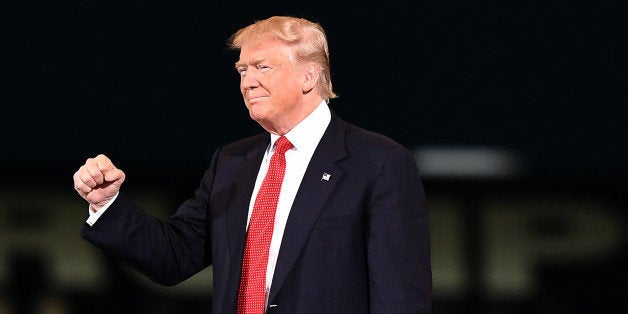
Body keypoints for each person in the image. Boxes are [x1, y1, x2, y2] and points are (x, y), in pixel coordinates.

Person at [73, 15, 432, 313]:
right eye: (242, 70)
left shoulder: (378, 162)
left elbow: (400, 298)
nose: (248, 82)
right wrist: (107, 204)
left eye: (262, 67)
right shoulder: (232, 162)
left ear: (309, 75)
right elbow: (175, 255)